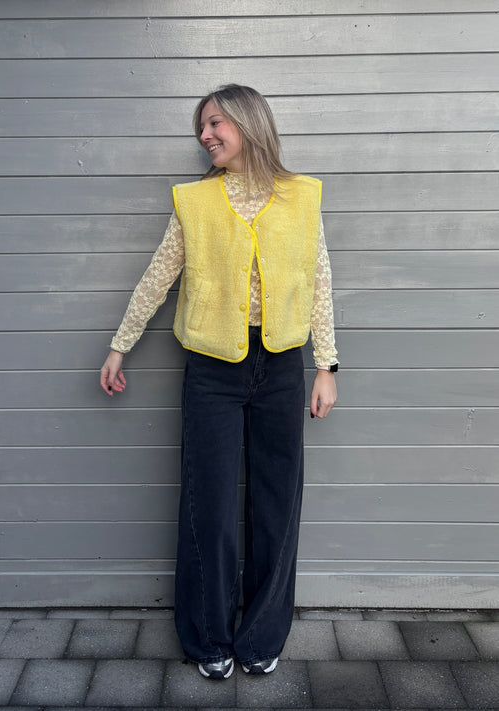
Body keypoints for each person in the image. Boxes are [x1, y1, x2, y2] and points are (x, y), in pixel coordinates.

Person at [100, 84, 338, 680]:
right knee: (207, 505)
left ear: (248, 123)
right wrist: (120, 344)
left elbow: (318, 283)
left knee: (276, 504)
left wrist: (326, 367)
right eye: (201, 127)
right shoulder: (195, 202)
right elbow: (158, 277)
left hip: (281, 367)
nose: (204, 135)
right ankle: (209, 638)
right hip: (212, 371)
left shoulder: (302, 198)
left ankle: (261, 636)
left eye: (214, 124)